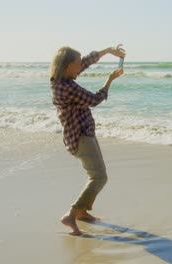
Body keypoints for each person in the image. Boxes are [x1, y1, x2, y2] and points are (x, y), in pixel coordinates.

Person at [50, 44, 126, 235]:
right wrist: (109, 80)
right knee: (99, 177)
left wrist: (108, 50)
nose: (81, 65)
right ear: (67, 65)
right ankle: (71, 214)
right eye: (77, 63)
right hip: (81, 137)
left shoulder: (61, 78)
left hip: (83, 133)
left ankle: (83, 212)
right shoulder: (67, 87)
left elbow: (86, 61)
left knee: (95, 175)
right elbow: (94, 100)